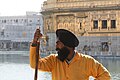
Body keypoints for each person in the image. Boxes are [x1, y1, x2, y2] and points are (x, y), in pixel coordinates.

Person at [30, 28, 111, 80]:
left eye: (58, 43)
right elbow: (34, 64)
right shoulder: (53, 60)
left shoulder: (87, 61)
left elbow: (105, 76)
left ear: (67, 46)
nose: (56, 47)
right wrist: (34, 43)